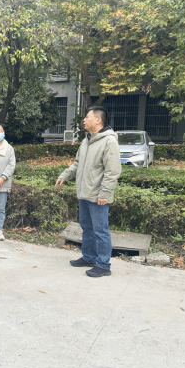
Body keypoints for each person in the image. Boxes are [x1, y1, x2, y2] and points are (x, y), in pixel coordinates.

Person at [55, 106, 121, 278]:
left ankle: (103, 265)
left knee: (101, 231)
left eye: (87, 117)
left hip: (98, 196)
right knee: (87, 227)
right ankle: (89, 257)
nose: (84, 120)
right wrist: (64, 175)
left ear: (98, 120)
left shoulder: (109, 141)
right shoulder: (87, 140)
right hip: (84, 193)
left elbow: (112, 171)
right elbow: (77, 163)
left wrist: (105, 193)